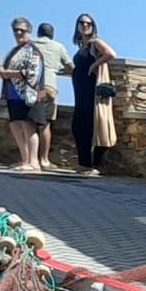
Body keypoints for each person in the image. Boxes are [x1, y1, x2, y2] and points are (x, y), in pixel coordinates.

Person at [0, 18, 54, 173]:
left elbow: (33, 73)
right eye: (16, 30)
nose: (19, 33)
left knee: (29, 127)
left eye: (22, 30)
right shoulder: (15, 50)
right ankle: (25, 158)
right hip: (13, 94)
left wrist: (9, 73)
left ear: (29, 31)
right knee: (15, 124)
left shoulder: (32, 50)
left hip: (29, 94)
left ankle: (33, 161)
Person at [69, 12, 119, 174]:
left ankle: (96, 166)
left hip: (92, 90)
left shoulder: (95, 42)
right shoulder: (82, 46)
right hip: (81, 91)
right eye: (82, 23)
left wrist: (94, 65)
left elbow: (111, 54)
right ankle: (84, 164)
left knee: (95, 125)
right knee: (79, 126)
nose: (85, 25)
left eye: (88, 23)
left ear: (93, 26)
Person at [31, 23, 73, 169]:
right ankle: (44, 159)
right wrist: (57, 68)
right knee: (45, 124)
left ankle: (29, 159)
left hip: (30, 86)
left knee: (27, 124)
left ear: (38, 33)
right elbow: (71, 67)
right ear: (52, 34)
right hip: (49, 85)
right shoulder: (58, 47)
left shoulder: (29, 44)